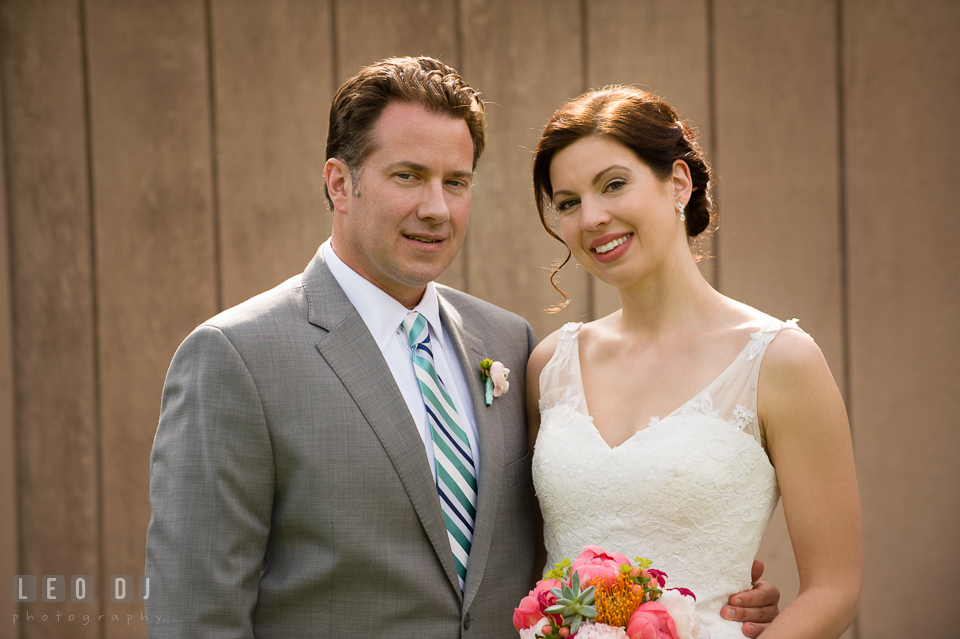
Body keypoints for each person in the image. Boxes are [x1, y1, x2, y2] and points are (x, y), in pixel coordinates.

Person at [145, 58, 779, 638]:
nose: (436, 208)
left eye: (456, 181)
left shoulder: (507, 344)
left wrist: (700, 596)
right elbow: (195, 615)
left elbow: (566, 536)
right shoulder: (236, 357)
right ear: (340, 184)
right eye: (408, 177)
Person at [526, 85, 862, 638]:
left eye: (613, 185)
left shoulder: (779, 361)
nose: (592, 217)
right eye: (568, 202)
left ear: (678, 182)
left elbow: (834, 589)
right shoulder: (550, 366)